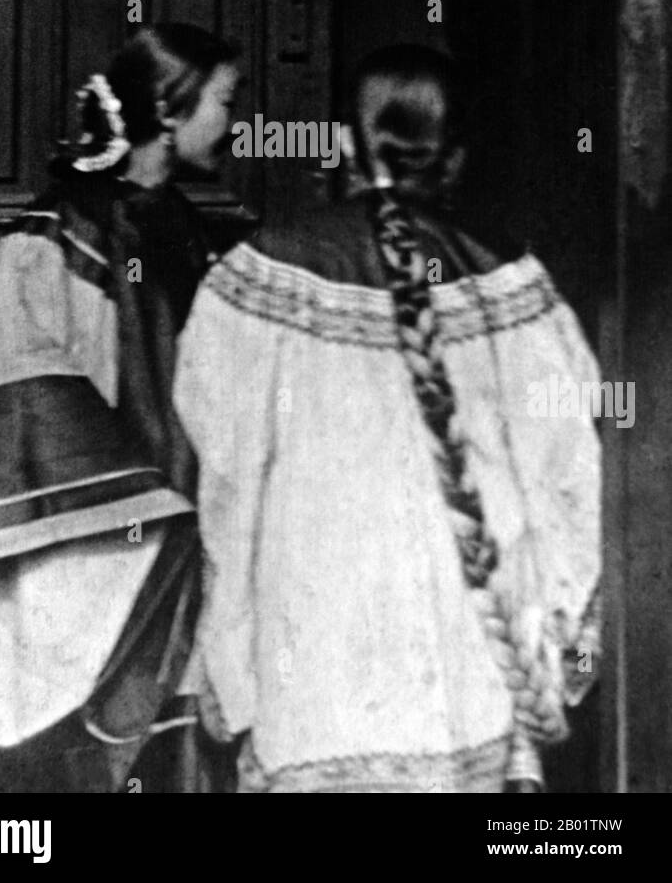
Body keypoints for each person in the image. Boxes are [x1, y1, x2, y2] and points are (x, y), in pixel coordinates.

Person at [173, 44, 601, 794]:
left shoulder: (256, 277)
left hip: (314, 651)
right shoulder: (515, 284)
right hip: (470, 662)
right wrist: (563, 639)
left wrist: (230, 655)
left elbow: (226, 484)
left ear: (342, 144)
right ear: (454, 156)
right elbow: (568, 480)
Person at [0, 23, 240, 791]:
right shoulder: (62, 232)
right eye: (224, 100)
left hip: (182, 553)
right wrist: (132, 494)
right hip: (94, 553)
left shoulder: (186, 234)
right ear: (168, 106)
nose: (235, 122)